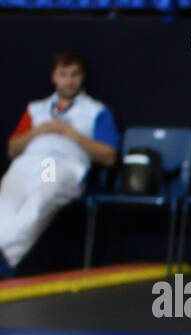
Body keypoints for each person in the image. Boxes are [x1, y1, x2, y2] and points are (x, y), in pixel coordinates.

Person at [0, 51, 119, 277]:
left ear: (82, 77)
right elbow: (12, 148)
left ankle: (4, 260)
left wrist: (70, 134)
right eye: (63, 74)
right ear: (54, 77)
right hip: (27, 162)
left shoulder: (96, 110)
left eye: (74, 75)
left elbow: (109, 156)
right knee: (4, 206)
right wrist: (39, 131)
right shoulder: (36, 108)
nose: (69, 80)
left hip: (59, 163)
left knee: (39, 199)